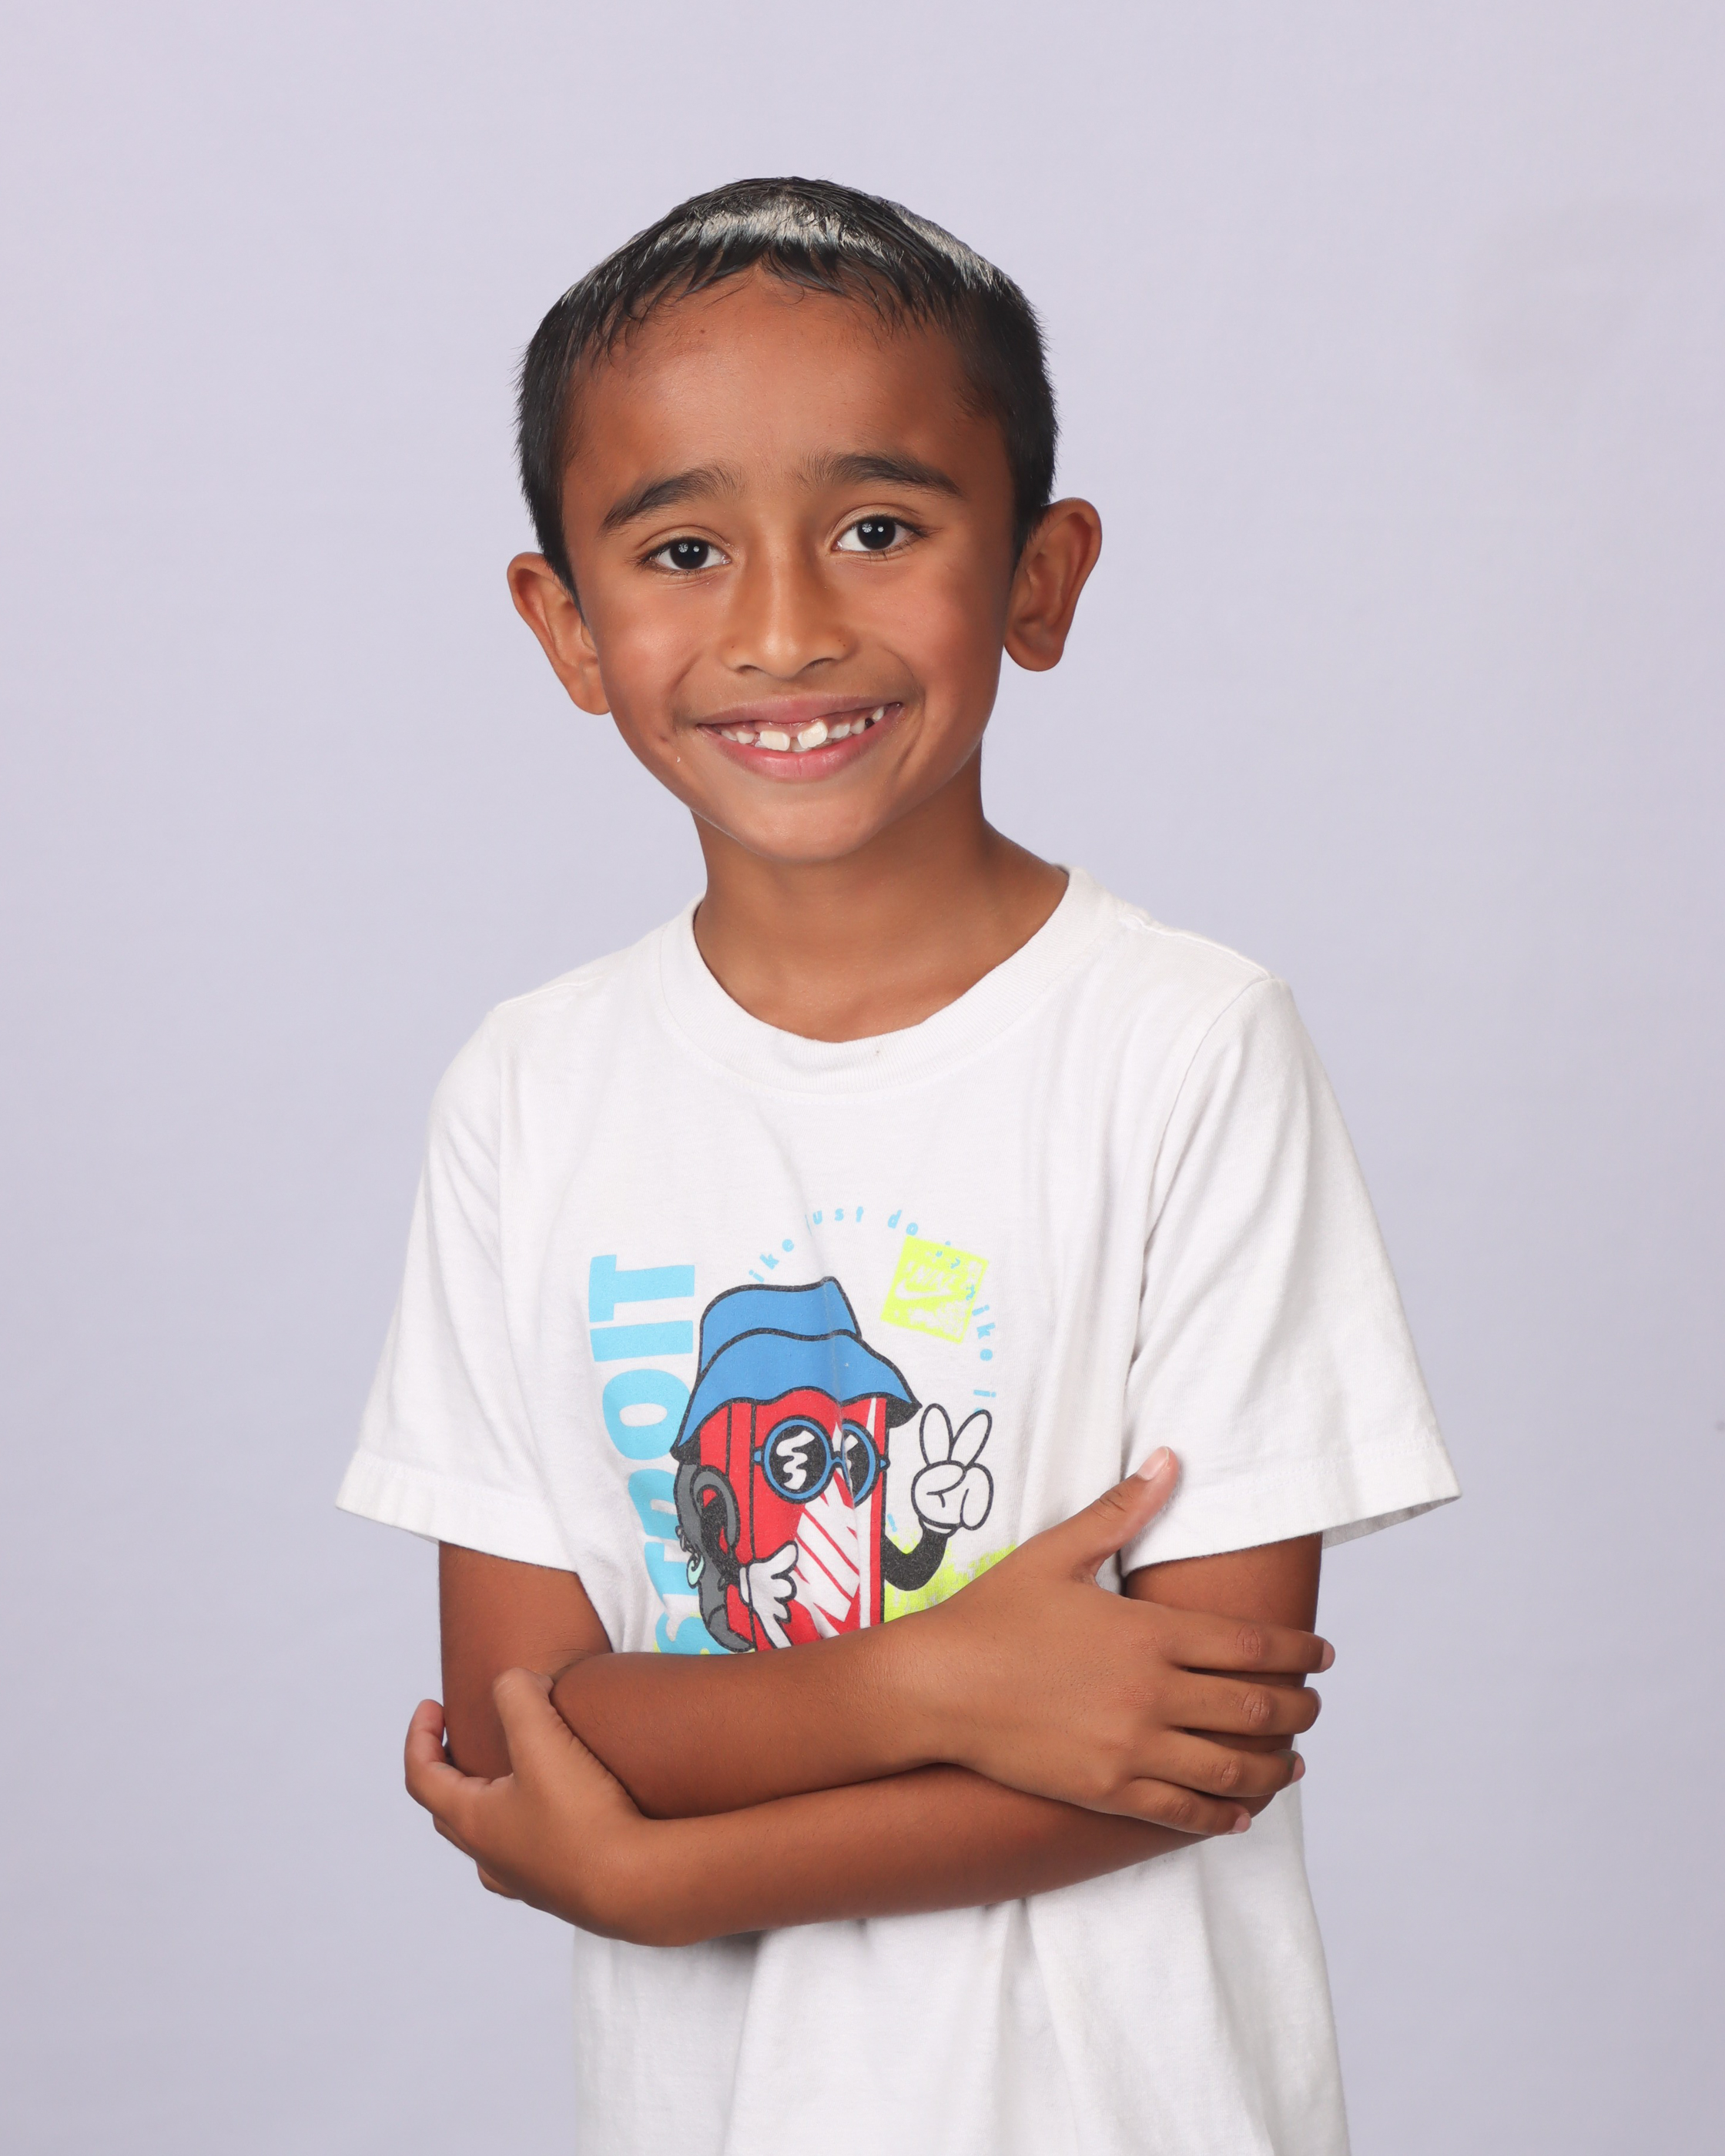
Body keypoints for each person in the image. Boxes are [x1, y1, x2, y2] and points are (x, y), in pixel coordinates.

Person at [337, 176, 1459, 2154]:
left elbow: (1194, 1741)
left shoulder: (1183, 1044)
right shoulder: (530, 1090)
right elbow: (524, 1725)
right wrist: (934, 1681)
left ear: (1038, 574)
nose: (783, 627)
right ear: (567, 625)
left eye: (877, 527)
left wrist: (665, 1864)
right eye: (682, 549)